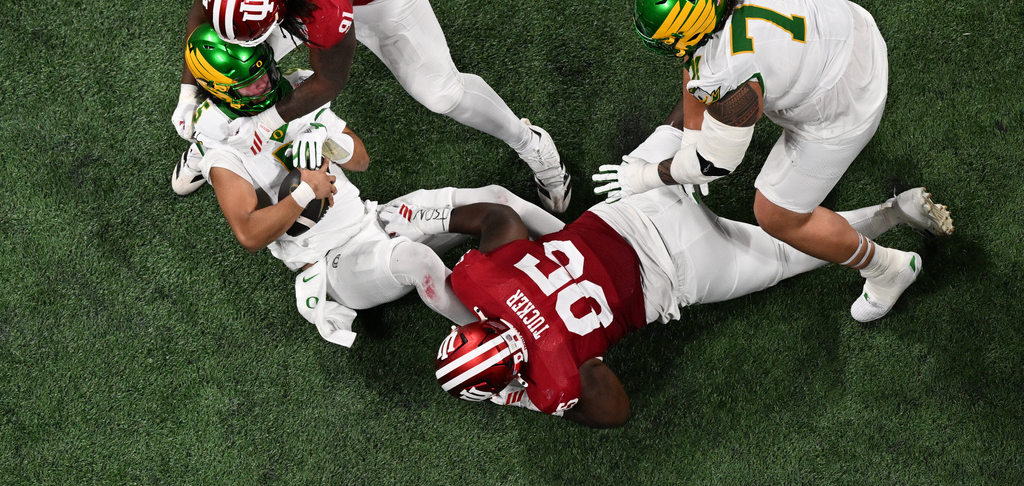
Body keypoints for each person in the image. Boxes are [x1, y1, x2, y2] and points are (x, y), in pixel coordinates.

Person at [381, 128, 953, 427]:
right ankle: (730, 60)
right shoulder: (481, 287)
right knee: (684, 126)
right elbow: (500, 217)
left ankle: (891, 215)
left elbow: (614, 409)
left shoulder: (553, 377)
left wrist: (531, 399)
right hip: (630, 203)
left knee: (785, 253)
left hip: (683, 270)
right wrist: (436, 217)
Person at [591, 0, 953, 323]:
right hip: (848, 26)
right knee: (703, 60)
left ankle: (886, 268)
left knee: (776, 215)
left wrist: (646, 175)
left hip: (846, 103)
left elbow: (713, 165)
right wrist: (690, 136)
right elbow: (693, 58)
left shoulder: (729, 69)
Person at [171, 0, 571, 213]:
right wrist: (189, 93)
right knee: (231, 67)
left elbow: (331, 78)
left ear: (284, 4)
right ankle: (208, 138)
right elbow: (204, 15)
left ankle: (530, 142)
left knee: (440, 92)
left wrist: (268, 121)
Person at [178, 23, 479, 345]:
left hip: (374, 218)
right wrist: (307, 192)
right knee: (420, 262)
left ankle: (542, 255)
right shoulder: (224, 151)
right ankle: (495, 338)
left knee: (496, 200)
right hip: (332, 260)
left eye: (265, 70)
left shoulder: (296, 91)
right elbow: (249, 235)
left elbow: (361, 161)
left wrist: (327, 137)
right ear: (222, 91)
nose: (265, 82)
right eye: (251, 83)